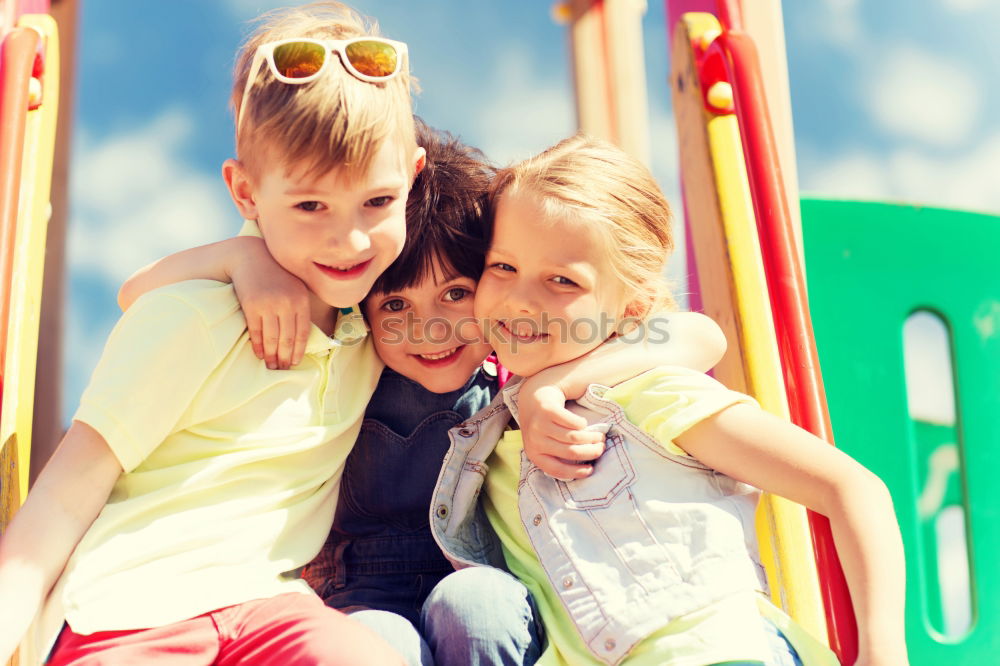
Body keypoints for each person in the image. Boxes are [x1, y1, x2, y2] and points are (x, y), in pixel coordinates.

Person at [117, 121, 729, 666]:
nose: (430, 328)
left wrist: (550, 386)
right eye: (397, 304)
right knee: (381, 642)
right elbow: (137, 294)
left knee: (474, 603)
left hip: (486, 581)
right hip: (362, 597)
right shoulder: (345, 359)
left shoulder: (514, 369)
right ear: (364, 305)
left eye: (456, 295)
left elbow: (700, 334)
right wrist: (241, 257)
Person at [0, 3, 424, 664]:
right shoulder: (193, 318)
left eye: (377, 201)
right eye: (310, 206)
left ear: (413, 181)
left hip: (268, 608)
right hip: (131, 609)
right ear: (246, 194)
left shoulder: (381, 331)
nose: (351, 239)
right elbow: (57, 504)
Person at [429, 134, 910, 666]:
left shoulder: (649, 395)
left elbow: (851, 487)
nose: (521, 298)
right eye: (503, 267)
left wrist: (882, 648)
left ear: (631, 308)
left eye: (562, 280)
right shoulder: (485, 440)